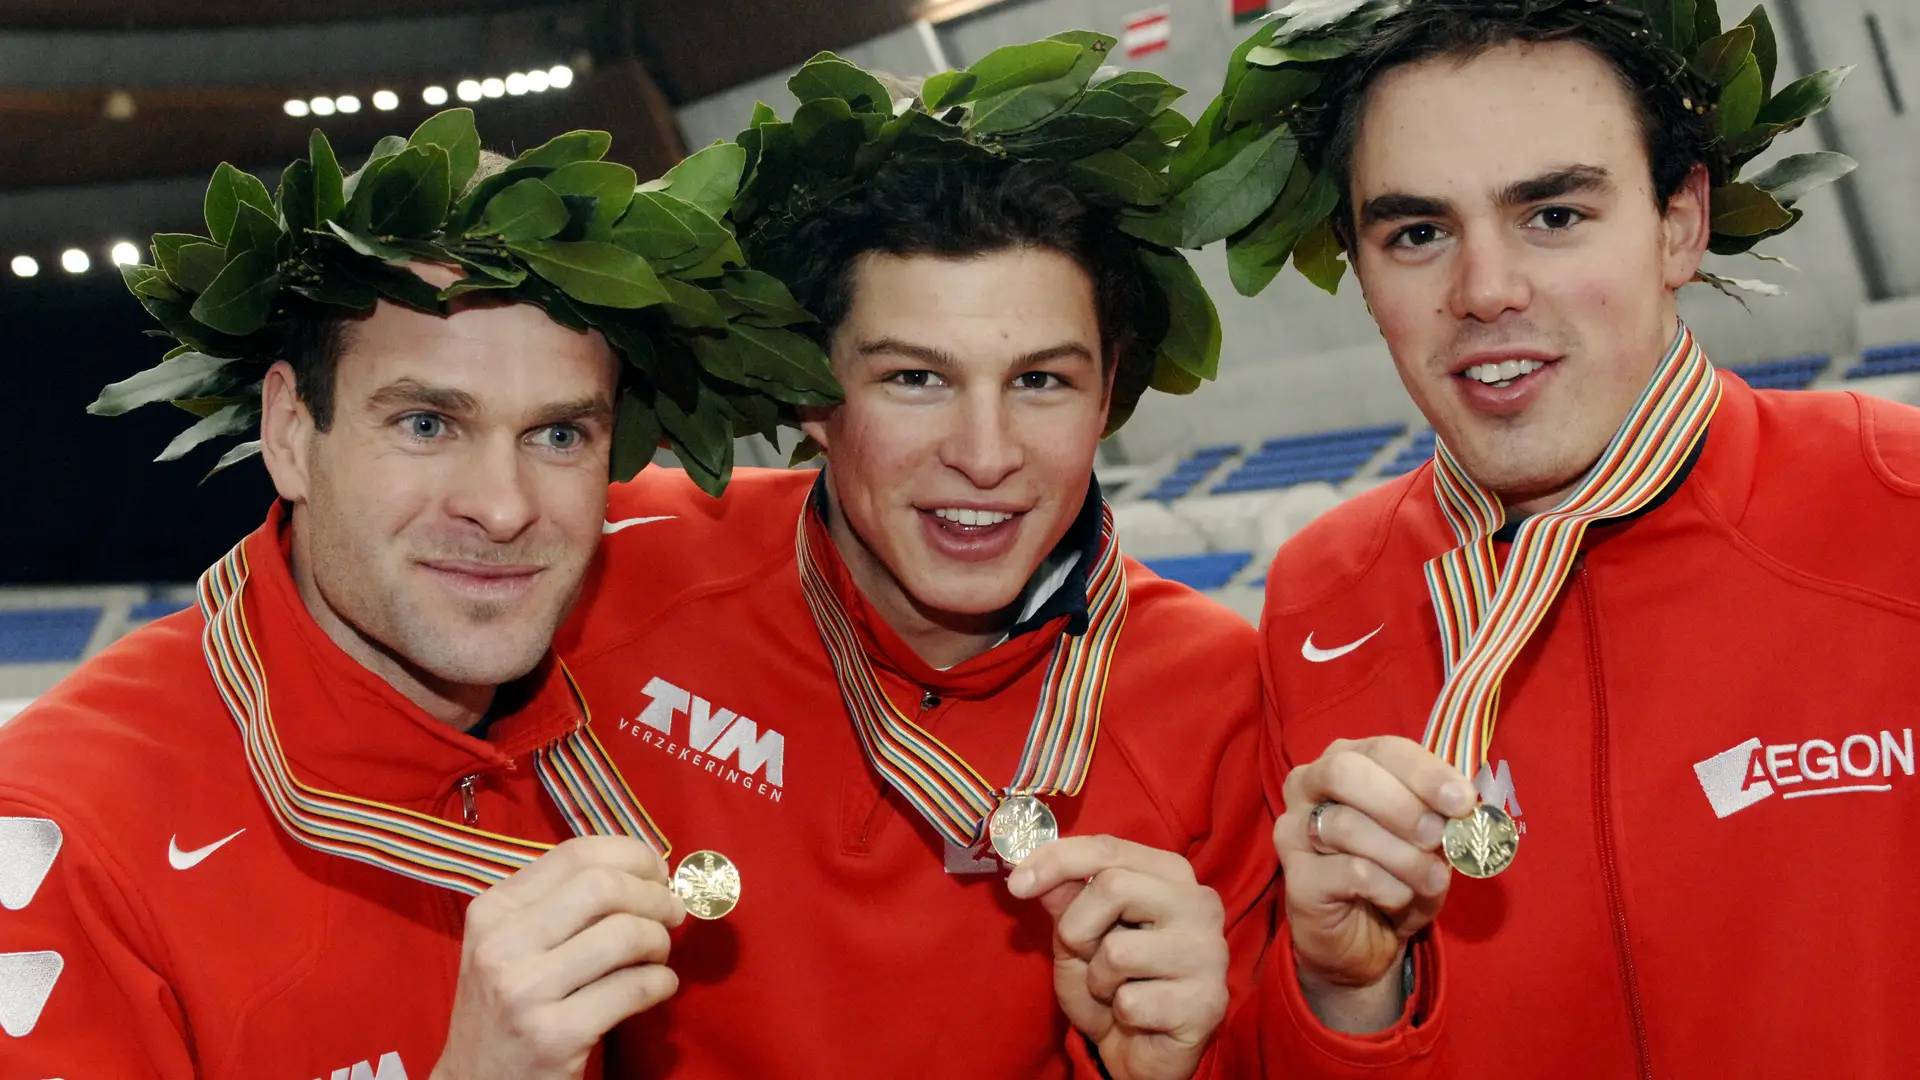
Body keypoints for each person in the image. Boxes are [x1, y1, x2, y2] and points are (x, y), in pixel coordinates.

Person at [0, 111, 832, 1078]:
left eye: (559, 435)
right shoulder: (62, 823)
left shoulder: (619, 715)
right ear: (288, 431)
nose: (503, 506)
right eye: (429, 423)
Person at [1183, 0, 1902, 1075]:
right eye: (1418, 233)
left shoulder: (1897, 510)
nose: (1485, 291)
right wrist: (1343, 994)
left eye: (1554, 214)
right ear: (1363, 269)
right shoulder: (1318, 596)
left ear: (1679, 226)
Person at [555, 40, 1275, 1079]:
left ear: (1108, 393)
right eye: (915, 380)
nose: (984, 457)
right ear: (812, 391)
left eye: (1040, 382)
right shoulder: (621, 560)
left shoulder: (1217, 694)